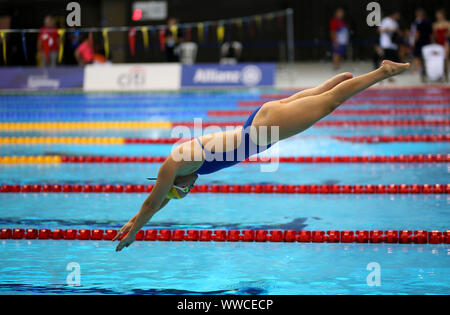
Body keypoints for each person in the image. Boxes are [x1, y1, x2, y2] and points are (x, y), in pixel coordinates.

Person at [114, 60, 410, 251]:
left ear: (177, 181)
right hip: (258, 123)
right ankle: (325, 85)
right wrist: (134, 221)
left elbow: (155, 199)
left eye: (184, 189)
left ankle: (382, 72)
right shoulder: (185, 169)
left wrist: (135, 231)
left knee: (330, 104)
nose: (190, 189)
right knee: (315, 99)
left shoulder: (175, 163)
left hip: (263, 129)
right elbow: (161, 200)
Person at [379, 11, 401, 82]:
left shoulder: (395, 23)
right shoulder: (386, 20)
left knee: (391, 61)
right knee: (385, 60)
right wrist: (390, 29)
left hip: (393, 45)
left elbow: (397, 33)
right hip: (386, 44)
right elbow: (380, 30)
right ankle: (380, 76)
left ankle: (389, 77)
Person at [410, 8, 433, 73]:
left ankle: (416, 70)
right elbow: (431, 33)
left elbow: (417, 33)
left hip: (419, 42)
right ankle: (424, 70)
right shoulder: (428, 21)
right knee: (425, 56)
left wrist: (413, 42)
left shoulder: (417, 22)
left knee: (417, 56)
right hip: (427, 42)